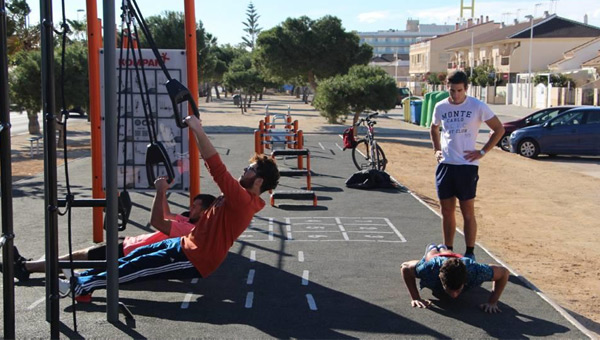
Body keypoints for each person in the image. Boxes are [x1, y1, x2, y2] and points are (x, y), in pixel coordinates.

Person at [59, 115, 279, 299]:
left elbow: (216, 167)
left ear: (258, 181)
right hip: (185, 243)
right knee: (136, 255)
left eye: (249, 169)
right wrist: (196, 131)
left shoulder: (243, 200)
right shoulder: (240, 196)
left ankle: (81, 285)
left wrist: (198, 129)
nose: (244, 171)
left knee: (138, 268)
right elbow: (212, 164)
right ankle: (83, 278)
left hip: (196, 259)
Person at [2, 180, 215, 281]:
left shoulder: (189, 229)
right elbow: (166, 214)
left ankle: (25, 268)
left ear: (206, 212)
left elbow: (157, 221)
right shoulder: (188, 219)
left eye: (196, 206)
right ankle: (32, 266)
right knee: (80, 257)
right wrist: (161, 193)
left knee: (79, 257)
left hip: (129, 252)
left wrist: (160, 191)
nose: (191, 207)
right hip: (131, 243)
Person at [429, 70, 505, 260]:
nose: (455, 95)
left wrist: (482, 151)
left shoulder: (477, 106)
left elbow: (499, 129)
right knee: (446, 210)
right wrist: (437, 150)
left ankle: (470, 252)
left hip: (467, 166)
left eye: (459, 91)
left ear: (466, 89)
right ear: (447, 88)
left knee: (467, 210)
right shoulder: (440, 106)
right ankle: (448, 249)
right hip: (446, 164)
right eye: (452, 91)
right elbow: (434, 128)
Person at [401, 243, 509, 314]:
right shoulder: (429, 269)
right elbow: (405, 267)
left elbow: (504, 272)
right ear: (440, 278)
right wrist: (415, 297)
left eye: (458, 290)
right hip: (436, 260)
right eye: (449, 290)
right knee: (431, 255)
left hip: (462, 260)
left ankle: (443, 248)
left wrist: (492, 302)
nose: (454, 295)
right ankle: (434, 247)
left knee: (454, 256)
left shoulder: (475, 271)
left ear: (465, 279)